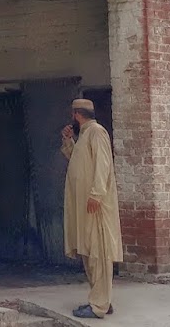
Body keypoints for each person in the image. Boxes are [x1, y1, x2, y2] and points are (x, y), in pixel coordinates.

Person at [60, 97, 122, 319]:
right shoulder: (85, 134)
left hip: (96, 205)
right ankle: (102, 299)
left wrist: (96, 194)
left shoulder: (96, 132)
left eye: (73, 114)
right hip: (85, 205)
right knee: (88, 250)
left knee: (99, 252)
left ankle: (98, 305)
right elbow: (77, 161)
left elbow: (103, 165)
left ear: (77, 114)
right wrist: (68, 140)